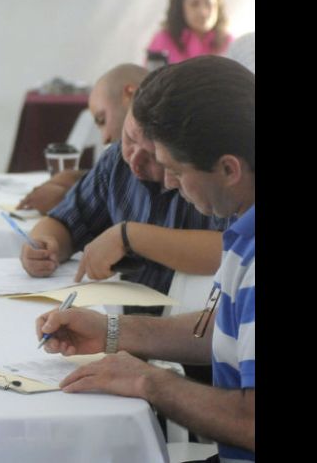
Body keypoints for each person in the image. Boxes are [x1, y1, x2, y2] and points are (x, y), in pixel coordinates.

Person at [36, 55, 254, 462]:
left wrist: (149, 383)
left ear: (229, 169)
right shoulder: (243, 227)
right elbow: (219, 329)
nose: (168, 182)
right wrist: (113, 330)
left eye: (175, 168)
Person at [20, 91, 229, 316]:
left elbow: (231, 250)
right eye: (129, 139)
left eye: (153, 155)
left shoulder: (208, 179)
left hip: (194, 326)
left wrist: (130, 237)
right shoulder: (118, 162)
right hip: (123, 317)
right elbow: (66, 220)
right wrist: (44, 245)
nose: (134, 159)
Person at [17, 64, 148, 214]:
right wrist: (77, 179)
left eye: (102, 120)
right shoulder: (116, 157)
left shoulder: (169, 149)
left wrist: (67, 199)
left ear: (130, 95)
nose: (105, 138)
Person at [146, 0, 232, 65]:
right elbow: (152, 77)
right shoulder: (163, 40)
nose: (203, 12)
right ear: (180, 8)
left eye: (209, 4)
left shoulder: (228, 43)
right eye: (194, 4)